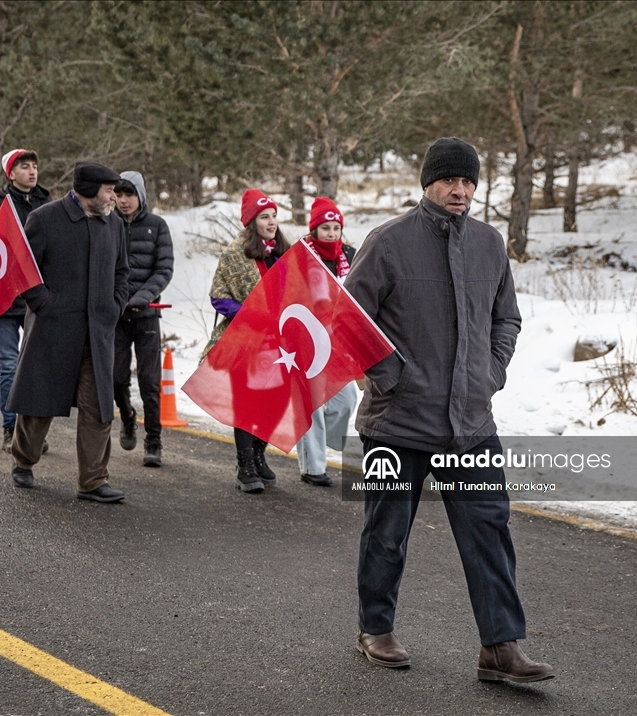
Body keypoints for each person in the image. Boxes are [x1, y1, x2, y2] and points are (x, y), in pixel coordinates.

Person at [343, 138, 554, 682]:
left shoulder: (489, 243)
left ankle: (500, 646)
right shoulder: (387, 242)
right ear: (427, 183)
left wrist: (491, 372)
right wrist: (392, 380)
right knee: (388, 530)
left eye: (468, 182)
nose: (460, 191)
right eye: (449, 181)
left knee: (490, 529)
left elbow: (506, 319)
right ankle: (376, 627)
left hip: (471, 423)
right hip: (398, 423)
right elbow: (347, 322)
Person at [5, 161, 129, 503]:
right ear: (88, 190)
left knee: (99, 407)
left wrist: (114, 306)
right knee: (39, 401)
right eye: (108, 191)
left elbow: (122, 272)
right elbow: (21, 270)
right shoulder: (45, 219)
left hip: (98, 331)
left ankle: (93, 480)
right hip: (53, 329)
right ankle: (23, 460)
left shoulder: (114, 224)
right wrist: (45, 304)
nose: (114, 198)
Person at [205, 189, 291, 493]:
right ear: (251, 222)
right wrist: (249, 315)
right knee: (246, 402)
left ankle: (258, 453)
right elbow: (218, 297)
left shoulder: (284, 253)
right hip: (245, 339)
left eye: (273, 216)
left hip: (279, 342)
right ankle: (245, 465)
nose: (271, 222)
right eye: (264, 217)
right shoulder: (233, 254)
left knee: (277, 400)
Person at [0, 149, 51, 453]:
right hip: (4, 301)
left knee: (36, 368)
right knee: (9, 366)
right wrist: (5, 270)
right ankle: (9, 428)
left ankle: (30, 432)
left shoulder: (47, 204)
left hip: (36, 301)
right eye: (24, 167)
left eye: (34, 166)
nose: (32, 171)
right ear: (10, 173)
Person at [112, 171, 174, 467]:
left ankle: (153, 439)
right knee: (115, 377)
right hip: (116, 315)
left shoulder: (157, 226)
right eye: (119, 195)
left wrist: (143, 297)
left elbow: (164, 269)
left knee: (150, 380)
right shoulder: (106, 224)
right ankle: (126, 416)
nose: (124, 201)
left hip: (147, 314)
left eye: (129, 195)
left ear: (141, 196)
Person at [295, 197, 358, 487]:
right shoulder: (300, 256)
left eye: (336, 227)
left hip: (339, 342)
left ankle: (330, 441)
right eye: (325, 228)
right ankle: (312, 466)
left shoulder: (350, 255)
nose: (332, 233)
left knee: (346, 400)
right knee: (312, 404)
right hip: (307, 340)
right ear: (314, 230)